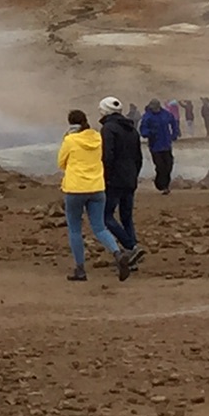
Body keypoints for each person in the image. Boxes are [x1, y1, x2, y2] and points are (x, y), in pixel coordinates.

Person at [59, 108, 139, 282]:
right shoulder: (96, 137)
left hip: (75, 188)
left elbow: (61, 162)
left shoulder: (70, 140)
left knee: (75, 229)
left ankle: (80, 269)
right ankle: (118, 254)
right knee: (100, 227)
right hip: (97, 187)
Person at [98, 97, 143, 255]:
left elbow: (107, 156)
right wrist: (134, 175)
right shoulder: (132, 129)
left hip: (114, 179)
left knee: (106, 216)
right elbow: (139, 157)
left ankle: (130, 246)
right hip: (130, 178)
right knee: (126, 217)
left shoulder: (108, 129)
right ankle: (133, 251)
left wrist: (105, 177)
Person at [139, 98, 178, 193]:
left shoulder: (165, 114)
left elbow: (173, 122)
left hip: (167, 144)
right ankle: (161, 185)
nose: (155, 109)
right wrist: (149, 133)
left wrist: (174, 134)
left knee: (169, 165)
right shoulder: (147, 116)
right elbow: (143, 129)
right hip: (155, 146)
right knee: (160, 166)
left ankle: (165, 185)